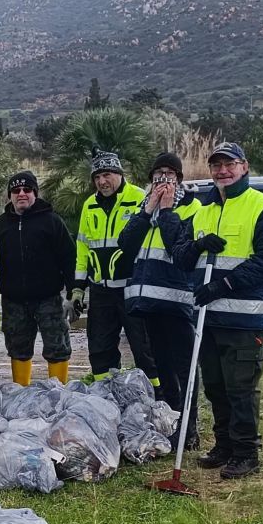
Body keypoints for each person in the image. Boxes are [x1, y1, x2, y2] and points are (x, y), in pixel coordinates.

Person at [165, 142, 263, 478]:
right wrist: (196, 245)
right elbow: (179, 256)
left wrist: (224, 285)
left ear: (244, 167)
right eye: (216, 165)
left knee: (242, 388)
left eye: (229, 164)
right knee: (216, 386)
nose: (222, 171)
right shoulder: (202, 211)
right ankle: (224, 446)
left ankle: (246, 452)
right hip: (208, 319)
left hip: (246, 319)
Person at [118, 152, 203, 449]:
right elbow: (125, 243)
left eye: (169, 173)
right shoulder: (145, 206)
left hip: (178, 301)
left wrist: (166, 211)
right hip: (148, 302)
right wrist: (147, 212)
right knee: (163, 368)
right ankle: (170, 422)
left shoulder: (192, 206)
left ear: (179, 178)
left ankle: (190, 428)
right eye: (157, 173)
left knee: (185, 368)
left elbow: (180, 245)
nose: (162, 179)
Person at [73, 147, 160, 391]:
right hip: (101, 291)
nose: (102, 181)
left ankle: (156, 399)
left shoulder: (140, 198)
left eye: (107, 175)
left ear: (119, 173)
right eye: (97, 177)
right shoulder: (89, 205)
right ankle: (107, 398)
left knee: (145, 350)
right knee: (100, 351)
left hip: (133, 290)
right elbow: (82, 247)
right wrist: (78, 288)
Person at [0, 170, 75, 386]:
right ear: (10, 195)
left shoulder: (52, 221)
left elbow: (69, 258)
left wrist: (74, 292)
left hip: (49, 298)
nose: (21, 194)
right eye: (16, 190)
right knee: (18, 348)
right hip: (13, 300)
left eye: (27, 189)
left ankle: (59, 393)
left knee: (57, 347)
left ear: (35, 193)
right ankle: (21, 393)